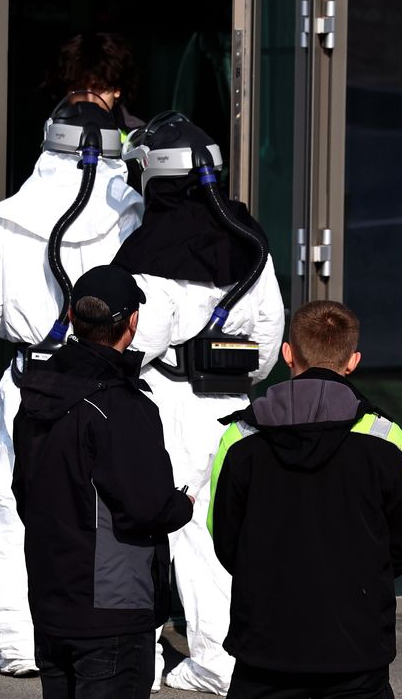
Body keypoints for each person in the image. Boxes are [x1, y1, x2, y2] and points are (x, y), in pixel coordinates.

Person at [0, 32, 143, 676]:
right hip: (109, 383)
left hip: (34, 375)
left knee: (15, 506)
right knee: (115, 511)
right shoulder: (129, 207)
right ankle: (125, 648)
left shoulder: (16, 212)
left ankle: (17, 643)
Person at [114, 113, 284, 694]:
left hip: (169, 403)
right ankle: (226, 658)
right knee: (220, 534)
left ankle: (161, 662)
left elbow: (134, 338)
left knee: (153, 528)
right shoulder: (248, 241)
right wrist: (235, 376)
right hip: (231, 403)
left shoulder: (146, 250)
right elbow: (267, 332)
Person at [210, 300, 402, 699]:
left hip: (264, 648)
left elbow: (224, 540)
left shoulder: (240, 439)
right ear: (353, 361)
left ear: (288, 354)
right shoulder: (387, 441)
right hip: (357, 649)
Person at [12, 264, 194, 699]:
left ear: (71, 317)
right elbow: (147, 506)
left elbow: (24, 491)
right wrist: (182, 505)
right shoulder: (119, 405)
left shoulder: (36, 395)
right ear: (132, 323)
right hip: (111, 607)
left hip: (53, 597)